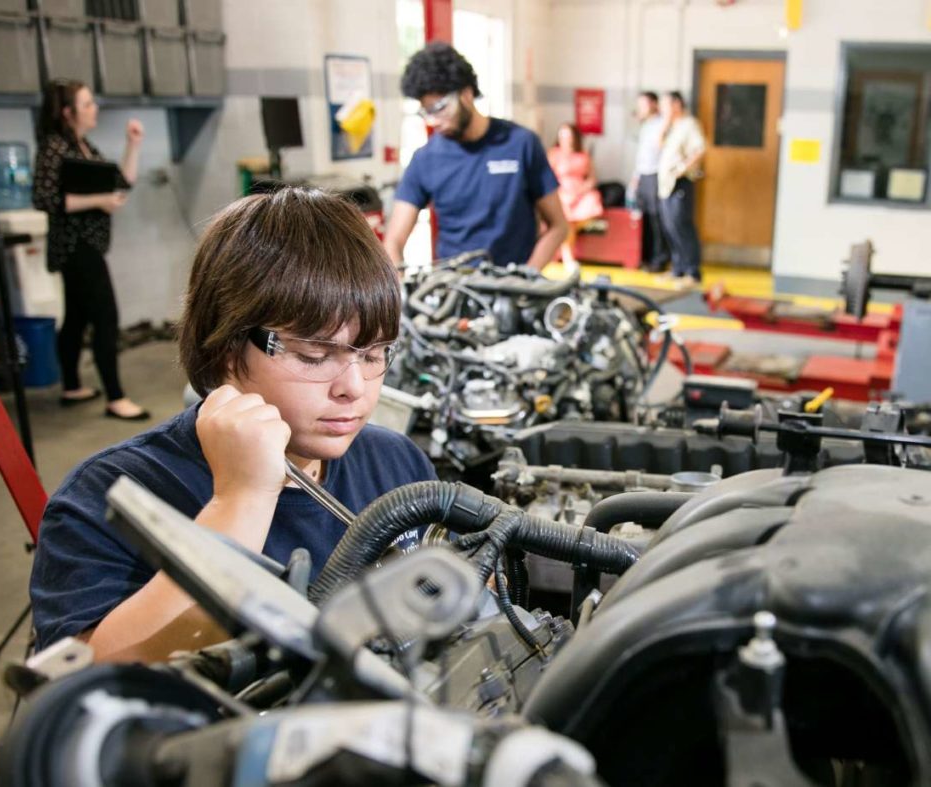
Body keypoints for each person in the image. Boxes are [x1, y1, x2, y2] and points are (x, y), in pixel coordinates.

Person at [29, 187, 437, 662]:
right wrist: (239, 501)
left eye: (372, 354)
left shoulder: (395, 463)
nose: (354, 386)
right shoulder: (109, 496)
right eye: (313, 355)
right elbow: (81, 684)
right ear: (224, 347)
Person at [383, 42, 567, 271]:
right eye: (425, 112)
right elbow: (393, 240)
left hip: (515, 291)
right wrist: (398, 289)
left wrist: (527, 277)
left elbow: (558, 226)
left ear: (466, 94)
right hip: (454, 290)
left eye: (439, 108)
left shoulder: (520, 144)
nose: (432, 121)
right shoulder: (425, 160)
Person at [33, 78, 149, 420]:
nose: (93, 108)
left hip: (89, 244)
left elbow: (121, 182)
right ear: (67, 113)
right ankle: (116, 397)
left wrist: (133, 145)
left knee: (76, 319)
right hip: (75, 247)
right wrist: (100, 200)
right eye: (86, 104)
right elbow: (44, 198)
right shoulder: (54, 148)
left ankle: (72, 386)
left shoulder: (84, 146)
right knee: (105, 317)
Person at [657, 91, 706, 283]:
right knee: (669, 226)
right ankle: (678, 268)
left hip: (681, 182)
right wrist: (665, 124)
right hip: (666, 184)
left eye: (665, 105)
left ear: (677, 104)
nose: (662, 109)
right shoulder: (672, 126)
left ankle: (692, 271)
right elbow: (659, 145)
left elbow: (700, 149)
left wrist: (682, 168)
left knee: (682, 225)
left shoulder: (689, 124)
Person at [547, 122, 603, 263]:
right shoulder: (554, 154)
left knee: (579, 216)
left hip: (581, 192)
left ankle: (563, 246)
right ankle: (567, 255)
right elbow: (547, 179)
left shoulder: (583, 155)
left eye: (569, 136)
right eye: (563, 136)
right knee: (566, 216)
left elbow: (592, 178)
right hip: (561, 192)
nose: (566, 139)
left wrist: (581, 190)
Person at [630, 91, 669, 272]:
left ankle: (659, 259)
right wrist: (635, 177)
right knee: (643, 218)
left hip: (656, 175)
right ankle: (644, 257)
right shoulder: (645, 126)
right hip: (643, 175)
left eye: (643, 105)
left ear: (654, 104)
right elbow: (641, 156)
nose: (640, 109)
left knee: (656, 218)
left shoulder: (663, 123)